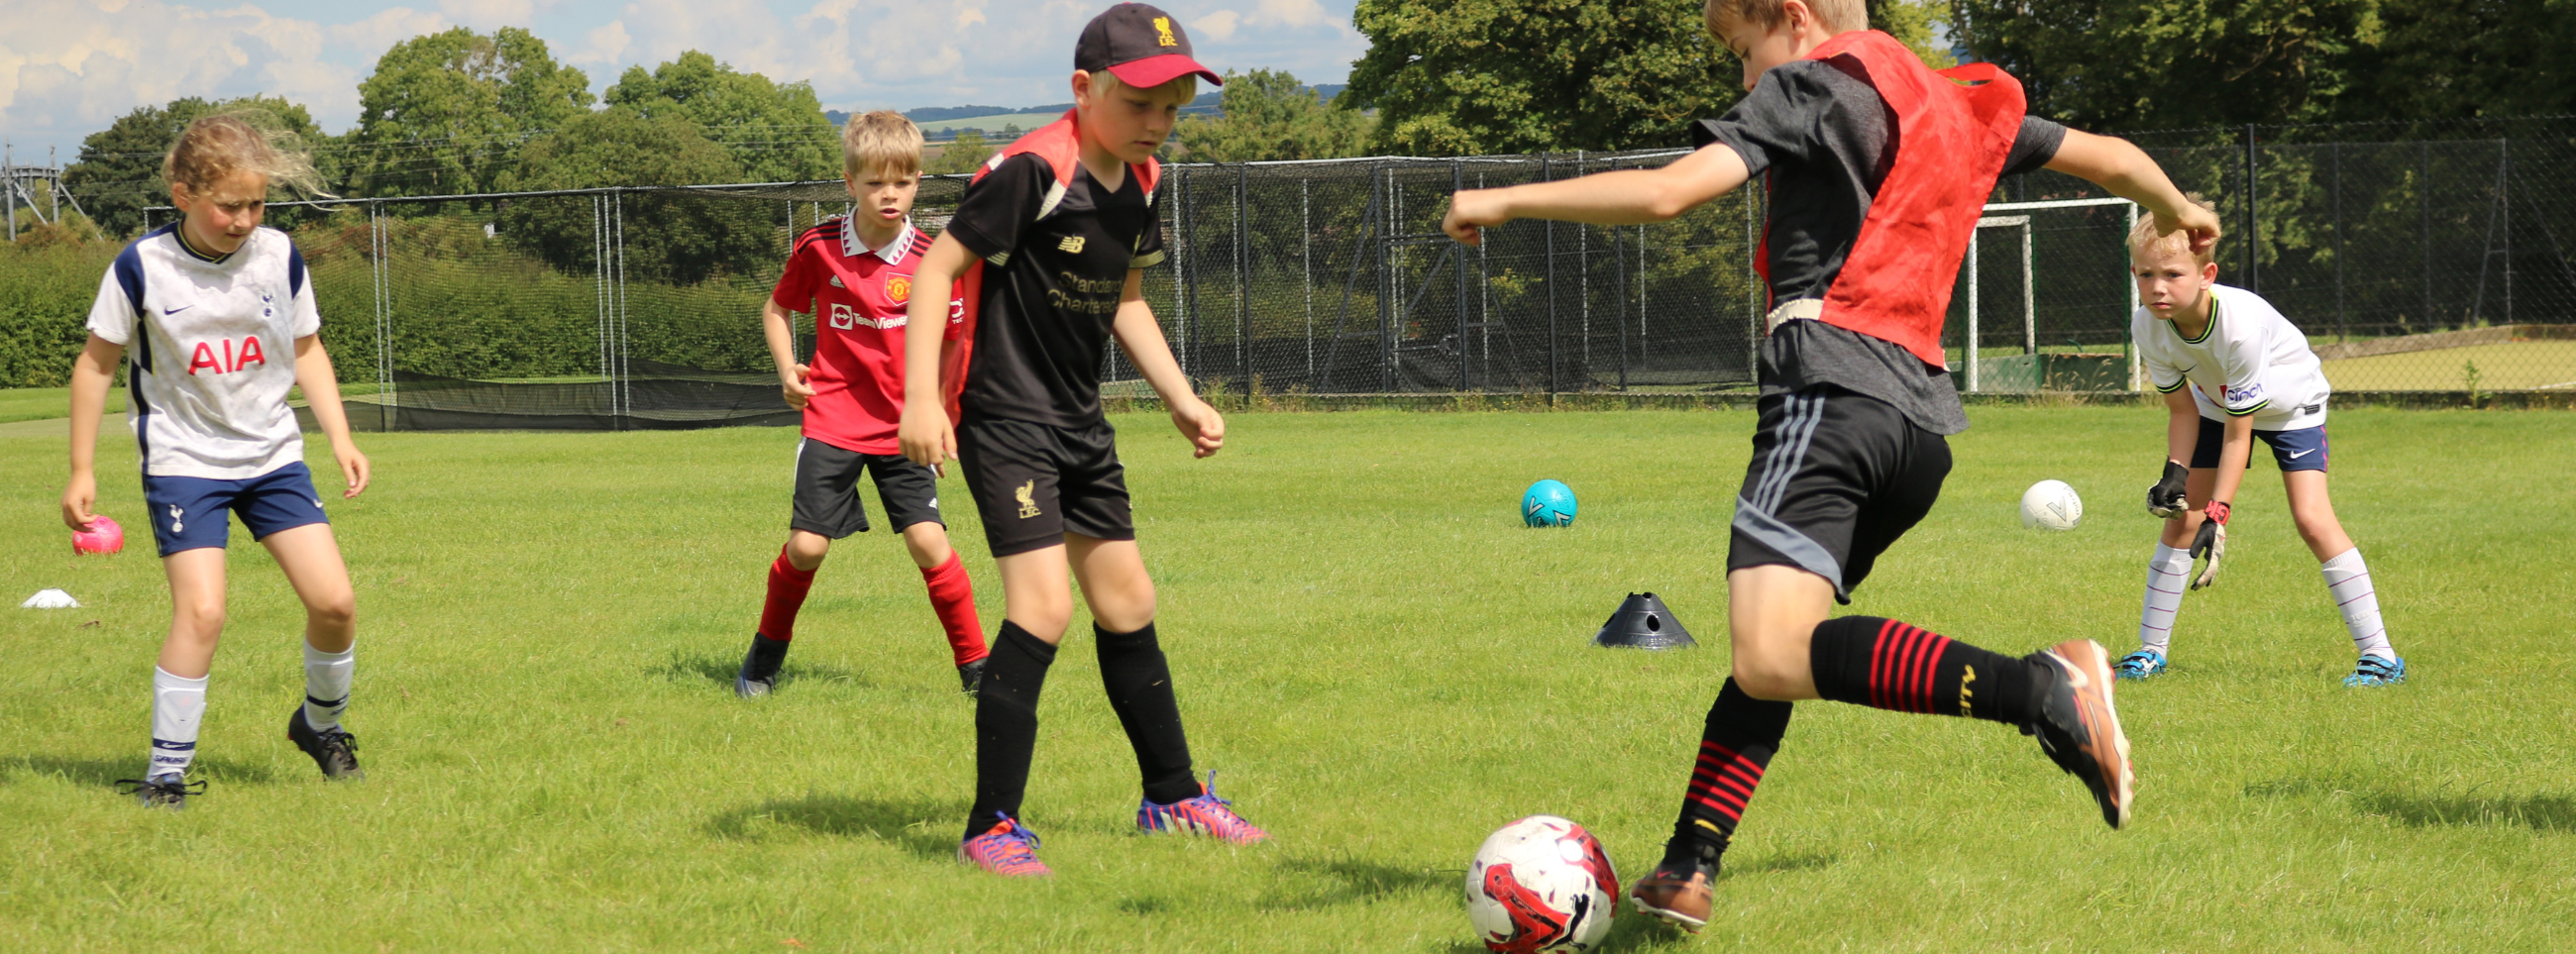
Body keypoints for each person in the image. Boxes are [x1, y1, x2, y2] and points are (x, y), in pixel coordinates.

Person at [1439, 0, 2223, 929]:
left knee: (1771, 648)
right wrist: (2180, 207)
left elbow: (1668, 192)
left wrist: (1498, 199)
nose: (1743, 78)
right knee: (1778, 647)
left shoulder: (1815, 84)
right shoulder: (1954, 97)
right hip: (1915, 432)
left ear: (1795, 17)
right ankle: (1690, 862)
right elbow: (2114, 159)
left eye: (1742, 50)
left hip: (1829, 395)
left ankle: (2042, 685)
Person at [895, 2, 1268, 878]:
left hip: (1079, 422)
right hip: (1004, 420)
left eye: (1173, 108)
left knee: (1128, 602)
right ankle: (990, 825)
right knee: (1045, 607)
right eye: (1140, 103)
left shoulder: (1144, 182)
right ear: (1083, 88)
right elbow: (935, 269)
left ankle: (1172, 797)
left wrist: (1179, 397)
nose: (1158, 125)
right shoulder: (1033, 171)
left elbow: (1126, 298)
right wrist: (921, 400)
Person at [61, 112, 373, 810]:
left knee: (335, 601)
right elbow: (95, 364)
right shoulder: (140, 266)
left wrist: (340, 437)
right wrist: (82, 469)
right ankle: (165, 774)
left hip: (272, 456)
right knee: (203, 611)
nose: (244, 220)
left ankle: (320, 727)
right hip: (184, 460)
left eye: (256, 204)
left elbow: (308, 349)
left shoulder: (279, 255)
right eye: (228, 205)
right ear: (182, 194)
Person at [735, 111, 992, 698]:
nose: (890, 194)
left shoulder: (935, 257)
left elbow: (956, 342)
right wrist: (786, 372)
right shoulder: (819, 246)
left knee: (930, 542)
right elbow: (777, 310)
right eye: (875, 182)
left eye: (901, 182)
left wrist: (943, 416)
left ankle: (978, 672)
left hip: (905, 426)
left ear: (917, 181)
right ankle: (761, 663)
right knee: (806, 546)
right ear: (849, 182)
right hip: (833, 418)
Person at [2124, 202, 2403, 687]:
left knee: (2312, 520)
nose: (2158, 287)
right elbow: (2182, 410)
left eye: (2172, 273)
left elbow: (2240, 433)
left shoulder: (2240, 325)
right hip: (2215, 406)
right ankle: (2150, 652)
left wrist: (2220, 513)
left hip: (2292, 409)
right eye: (2146, 275)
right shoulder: (2147, 325)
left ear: (2206, 274)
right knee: (2180, 522)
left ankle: (2380, 656)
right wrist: (2175, 471)